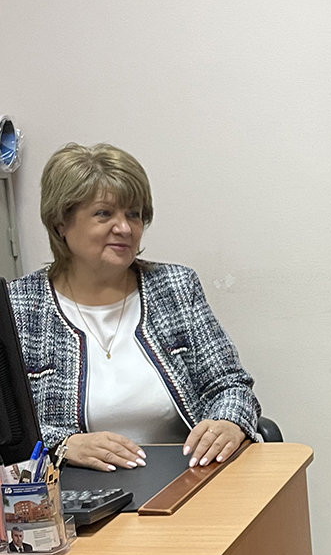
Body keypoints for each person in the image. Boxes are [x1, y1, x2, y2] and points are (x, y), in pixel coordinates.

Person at [9, 144, 260, 472]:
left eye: (134, 214)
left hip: (188, 476)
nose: (125, 228)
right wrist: (61, 444)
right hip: (74, 487)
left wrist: (229, 421)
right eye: (104, 214)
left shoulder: (174, 287)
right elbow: (8, 428)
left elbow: (229, 384)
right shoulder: (20, 305)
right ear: (61, 223)